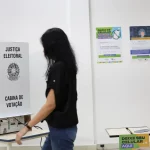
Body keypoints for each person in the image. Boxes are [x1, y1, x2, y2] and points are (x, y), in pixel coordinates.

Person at [15, 28, 78, 150]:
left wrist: (25, 128)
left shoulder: (58, 68)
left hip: (61, 131)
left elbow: (50, 105)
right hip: (63, 129)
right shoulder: (69, 66)